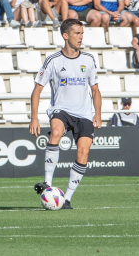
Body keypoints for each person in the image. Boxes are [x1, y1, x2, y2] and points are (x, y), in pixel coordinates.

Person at [29, 18, 101, 210]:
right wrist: (34, 117)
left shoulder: (89, 59)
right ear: (65, 35)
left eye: (82, 33)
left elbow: (95, 89)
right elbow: (37, 90)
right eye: (77, 33)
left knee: (84, 152)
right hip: (61, 110)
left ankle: (66, 199)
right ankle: (47, 182)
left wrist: (98, 114)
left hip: (84, 113)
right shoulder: (53, 60)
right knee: (55, 131)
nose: (80, 37)